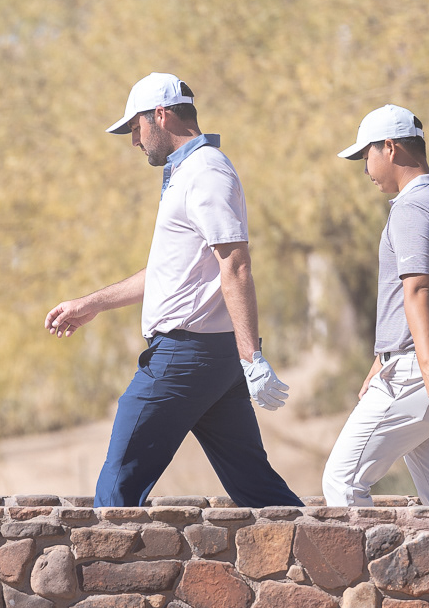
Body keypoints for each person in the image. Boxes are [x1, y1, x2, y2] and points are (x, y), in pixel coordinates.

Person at [45, 72, 302, 509]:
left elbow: (235, 265)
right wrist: (91, 305)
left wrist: (251, 356)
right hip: (209, 358)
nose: (134, 141)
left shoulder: (205, 172)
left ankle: (104, 577)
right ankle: (329, 569)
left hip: (187, 357)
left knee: (118, 485)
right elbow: (168, 274)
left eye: (134, 128)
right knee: (258, 491)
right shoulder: (189, 173)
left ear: (159, 116)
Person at [321, 104, 429, 507]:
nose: (365, 168)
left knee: (341, 483)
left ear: (390, 148)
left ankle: (362, 574)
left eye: (366, 155)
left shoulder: (411, 208)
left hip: (421, 378)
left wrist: (425, 366)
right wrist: (382, 358)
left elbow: (419, 289)